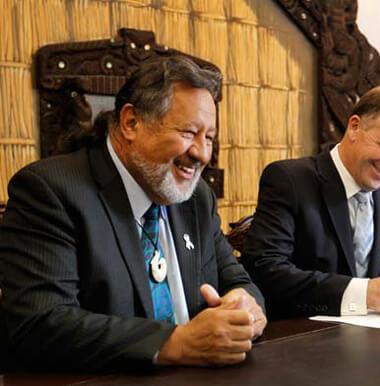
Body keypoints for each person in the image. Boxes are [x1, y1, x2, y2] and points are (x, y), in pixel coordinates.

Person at [0, 57, 266, 371]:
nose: (202, 154)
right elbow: (40, 322)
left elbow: (239, 281)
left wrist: (244, 305)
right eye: (188, 132)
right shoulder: (52, 191)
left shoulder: (196, 199)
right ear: (130, 123)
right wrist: (174, 343)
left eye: (208, 138)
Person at [241, 86, 380, 320]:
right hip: (306, 337)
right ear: (354, 127)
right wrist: (362, 293)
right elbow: (266, 271)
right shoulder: (290, 180)